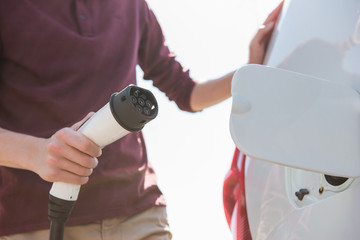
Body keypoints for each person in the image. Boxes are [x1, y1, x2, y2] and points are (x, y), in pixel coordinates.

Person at [0, 0, 283, 239]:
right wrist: (36, 153)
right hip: (33, 223)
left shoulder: (130, 5)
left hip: (136, 212)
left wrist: (250, 71)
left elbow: (188, 93)